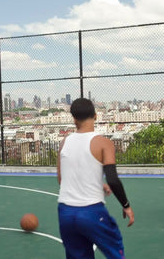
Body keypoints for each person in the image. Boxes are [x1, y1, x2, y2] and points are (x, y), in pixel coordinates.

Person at [57, 97, 135, 259]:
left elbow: (62, 179)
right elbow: (112, 179)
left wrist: (98, 185)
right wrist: (126, 205)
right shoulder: (103, 143)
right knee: (115, 251)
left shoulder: (64, 142)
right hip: (91, 211)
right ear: (96, 115)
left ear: (73, 118)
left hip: (65, 212)